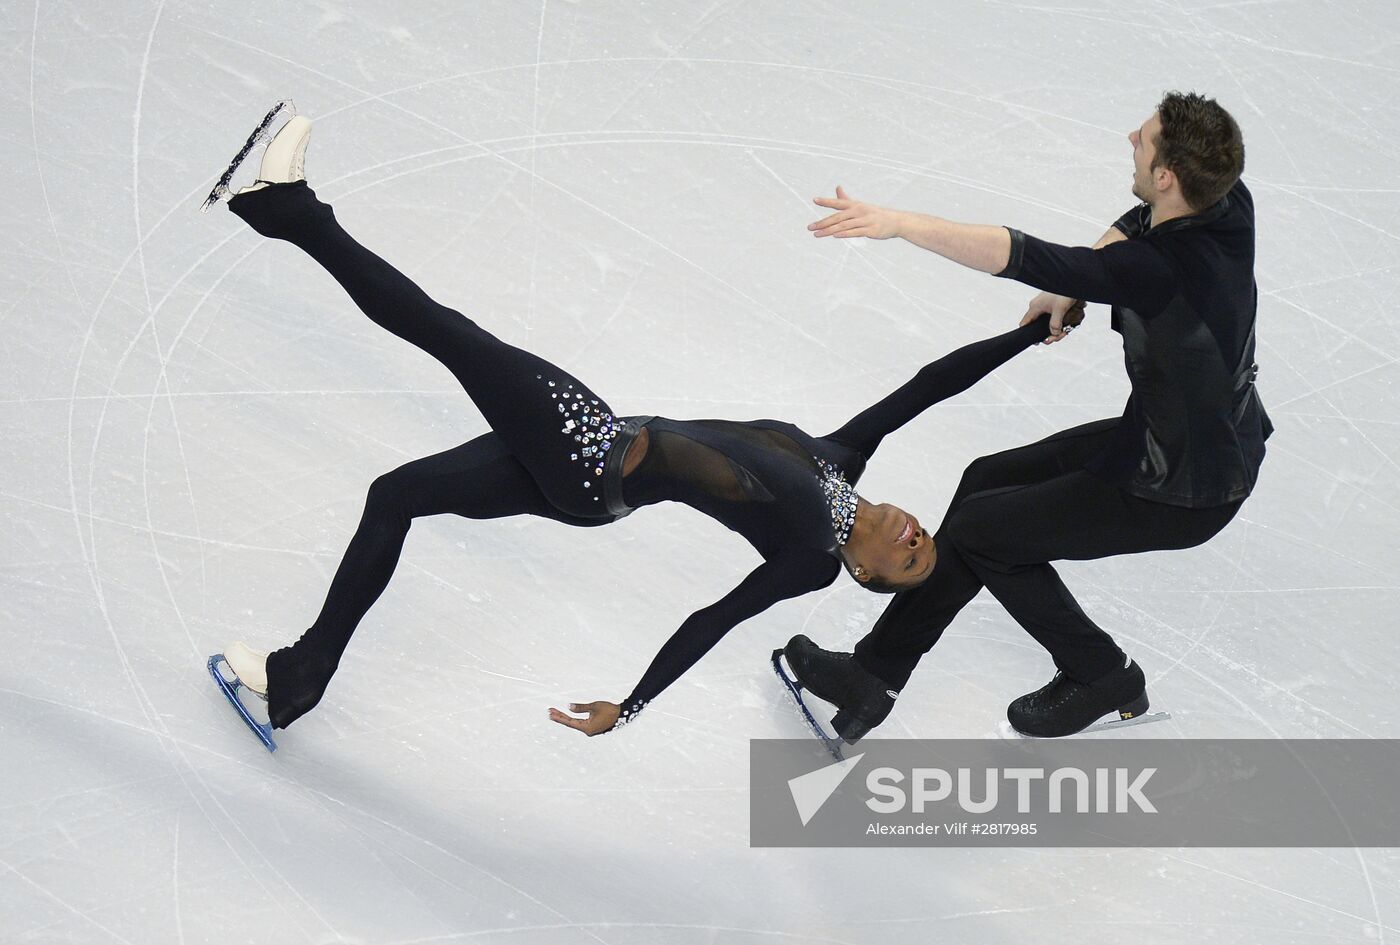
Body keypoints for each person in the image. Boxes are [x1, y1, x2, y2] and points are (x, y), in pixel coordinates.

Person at [208, 108, 1075, 740]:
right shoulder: (838, 462)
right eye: (925, 537)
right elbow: (928, 386)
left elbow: (715, 617)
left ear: (866, 571)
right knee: (393, 495)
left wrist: (632, 704)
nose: (917, 534)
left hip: (593, 460)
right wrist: (1022, 333)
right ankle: (297, 681)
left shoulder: (811, 555)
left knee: (450, 333)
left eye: (910, 556)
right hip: (592, 457)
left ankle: (284, 207)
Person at [784, 90, 1272, 739]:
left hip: (1180, 486)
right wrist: (1078, 287)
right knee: (986, 478)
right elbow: (1131, 227)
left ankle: (1100, 673)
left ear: (1167, 175)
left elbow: (1025, 255)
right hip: (1190, 439)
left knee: (987, 531)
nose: (1131, 135)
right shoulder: (1226, 205)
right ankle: (875, 674)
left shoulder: (1157, 271)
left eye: (1145, 138)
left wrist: (900, 223)